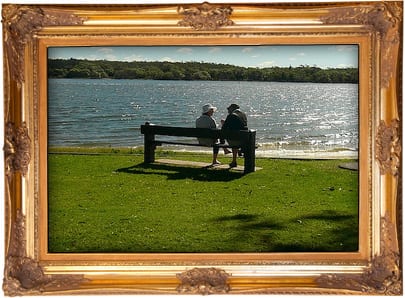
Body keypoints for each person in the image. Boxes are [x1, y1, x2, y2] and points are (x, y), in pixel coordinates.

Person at [221, 103, 248, 168]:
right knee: (233, 138)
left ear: (232, 109)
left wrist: (222, 142)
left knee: (230, 139)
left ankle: (233, 160)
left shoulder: (231, 116)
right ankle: (238, 152)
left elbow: (223, 129)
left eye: (228, 109)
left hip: (235, 139)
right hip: (244, 139)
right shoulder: (243, 115)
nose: (228, 110)